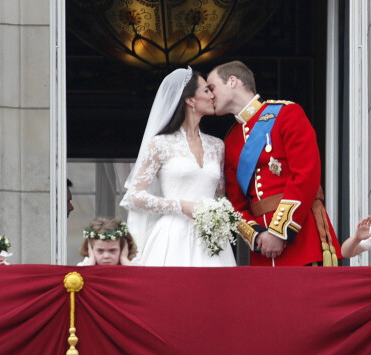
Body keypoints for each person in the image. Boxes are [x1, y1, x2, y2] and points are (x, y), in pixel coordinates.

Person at [207, 60, 342, 266]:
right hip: (262, 251)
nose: (209, 95)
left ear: (232, 81)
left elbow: (306, 175)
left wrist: (280, 232)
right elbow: (235, 203)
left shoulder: (286, 114)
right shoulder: (231, 140)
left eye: (212, 87)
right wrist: (257, 235)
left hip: (302, 240)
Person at [120, 67, 236, 267]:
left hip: (212, 240)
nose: (212, 96)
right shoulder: (160, 144)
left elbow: (219, 196)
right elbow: (133, 196)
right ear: (190, 100)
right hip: (173, 237)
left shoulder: (217, 146)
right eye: (206, 91)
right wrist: (181, 206)